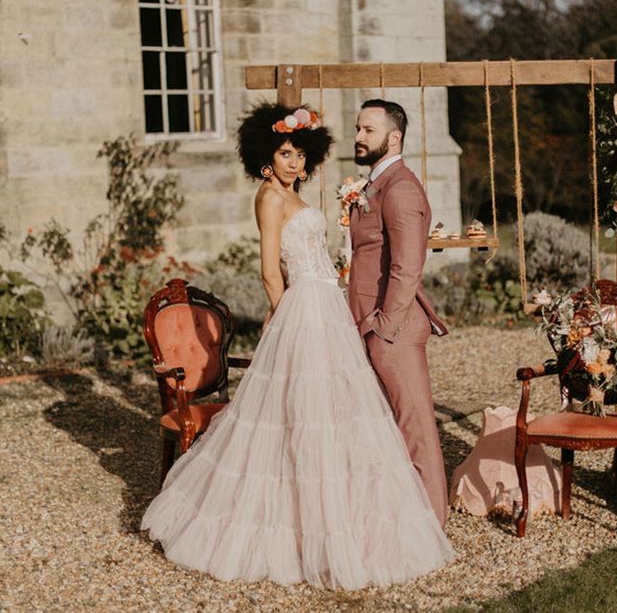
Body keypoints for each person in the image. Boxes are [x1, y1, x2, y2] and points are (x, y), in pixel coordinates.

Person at [140, 102, 454, 589]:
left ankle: (360, 516)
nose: (293, 163)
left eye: (299, 155)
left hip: (328, 304)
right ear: (267, 156)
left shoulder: (304, 194)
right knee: (302, 413)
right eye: (284, 154)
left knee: (341, 413)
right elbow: (270, 270)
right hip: (305, 307)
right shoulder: (269, 198)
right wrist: (287, 313)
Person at [347, 99, 449, 526]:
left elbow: (408, 266)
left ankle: (431, 523)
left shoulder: (402, 188)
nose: (357, 136)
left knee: (415, 427)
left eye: (368, 130)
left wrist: (384, 328)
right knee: (382, 426)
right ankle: (394, 515)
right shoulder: (374, 185)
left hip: (394, 329)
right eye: (357, 128)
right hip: (367, 324)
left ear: (394, 137)